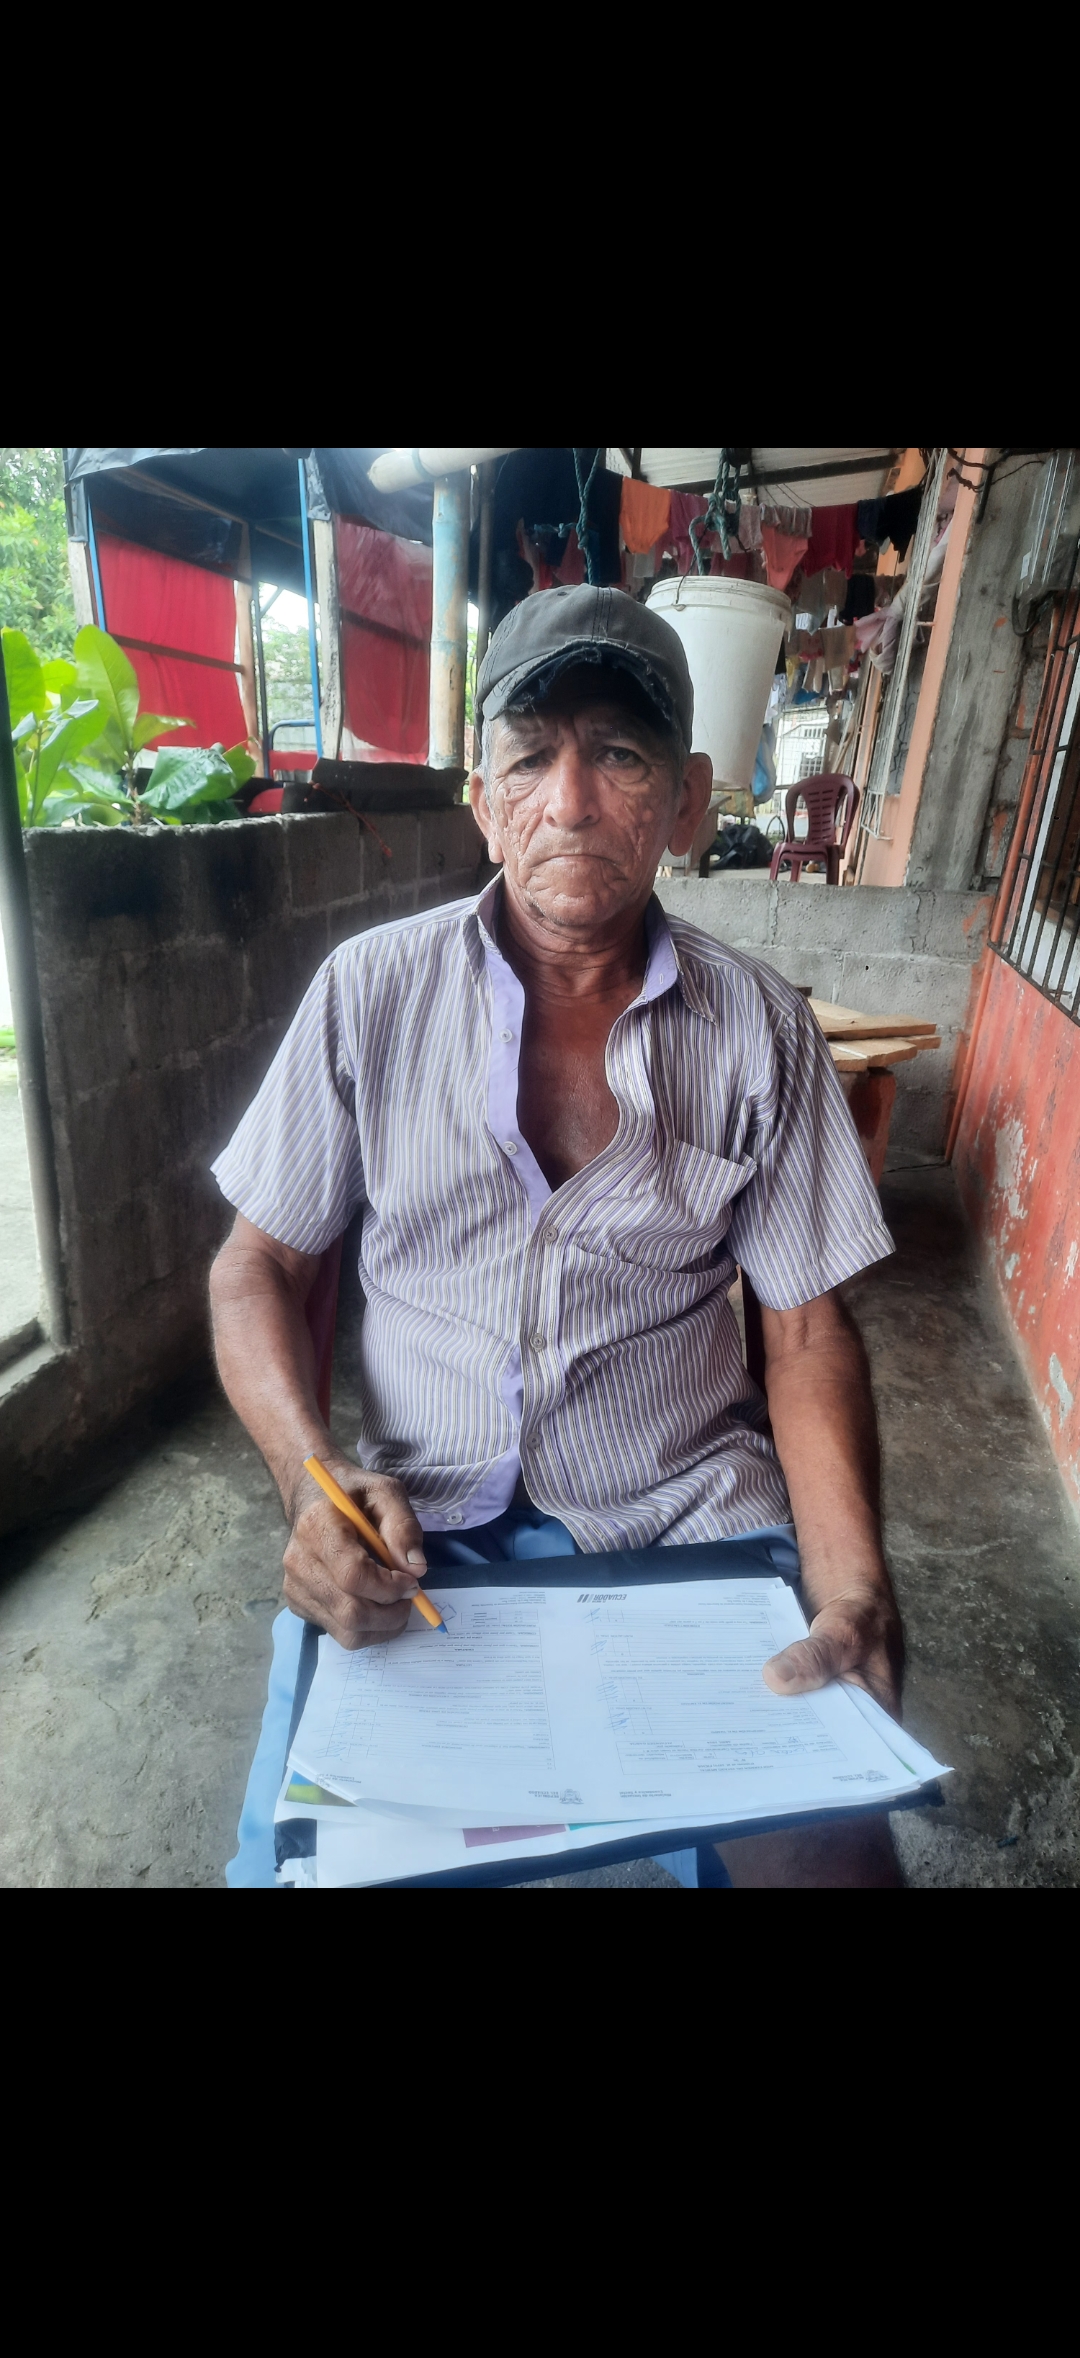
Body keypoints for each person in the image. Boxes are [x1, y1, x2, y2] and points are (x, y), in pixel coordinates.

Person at [210, 583, 904, 1889]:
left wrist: (857, 1587)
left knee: (828, 1850)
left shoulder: (761, 1030)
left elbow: (808, 1333)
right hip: (420, 1536)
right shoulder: (368, 997)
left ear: (688, 803)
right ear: (483, 801)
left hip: (686, 1528)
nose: (570, 802)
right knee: (315, 1865)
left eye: (620, 755)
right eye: (530, 758)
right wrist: (313, 1485)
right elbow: (256, 1267)